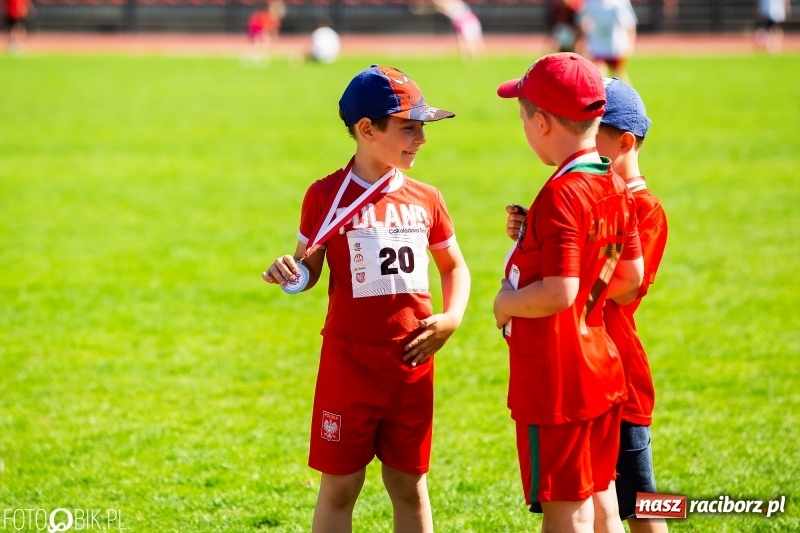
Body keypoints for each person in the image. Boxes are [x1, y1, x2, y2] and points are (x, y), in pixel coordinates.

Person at [262, 65, 470, 533]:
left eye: (423, 127)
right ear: (366, 129)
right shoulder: (324, 196)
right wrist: (289, 273)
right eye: (409, 127)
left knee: (409, 487)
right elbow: (307, 269)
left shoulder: (426, 198)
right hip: (348, 365)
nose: (421, 137)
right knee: (339, 488)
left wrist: (452, 317)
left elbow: (454, 266)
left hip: (410, 365)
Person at [494, 52, 644, 533]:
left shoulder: (562, 193)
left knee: (566, 510)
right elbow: (630, 277)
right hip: (600, 366)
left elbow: (560, 291)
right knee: (600, 503)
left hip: (557, 378)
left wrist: (505, 303)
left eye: (522, 116)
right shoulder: (613, 183)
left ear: (540, 124)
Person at [596, 78, 668, 533]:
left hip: (621, 378)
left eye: (592, 132)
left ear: (624, 141)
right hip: (583, 370)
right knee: (590, 502)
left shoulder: (646, 209)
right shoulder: (594, 198)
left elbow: (623, 287)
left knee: (644, 505)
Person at [579, 0, 638, 81]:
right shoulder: (590, 3)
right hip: (598, 46)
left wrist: (631, 43)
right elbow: (582, 22)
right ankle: (601, 93)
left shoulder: (620, 3)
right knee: (599, 75)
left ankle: (627, 93)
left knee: (619, 75)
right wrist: (584, 41)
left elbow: (629, 23)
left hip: (616, 46)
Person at [244, 0, 285, 66]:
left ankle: (253, 56)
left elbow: (271, 30)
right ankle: (253, 56)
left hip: (256, 28)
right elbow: (264, 28)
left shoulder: (268, 16)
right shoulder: (265, 16)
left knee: (258, 43)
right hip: (255, 28)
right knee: (258, 43)